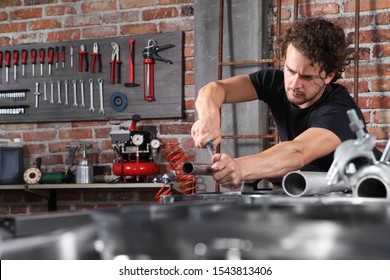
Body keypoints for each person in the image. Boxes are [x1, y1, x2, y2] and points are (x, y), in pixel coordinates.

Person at [191, 17, 381, 189]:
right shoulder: (275, 82)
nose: (294, 84)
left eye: (307, 77)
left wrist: (238, 168)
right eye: (290, 71)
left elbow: (296, 152)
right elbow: (214, 89)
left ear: (329, 76)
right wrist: (209, 119)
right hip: (320, 190)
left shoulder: (339, 111)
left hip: (369, 192)